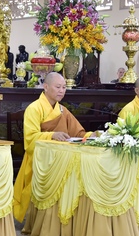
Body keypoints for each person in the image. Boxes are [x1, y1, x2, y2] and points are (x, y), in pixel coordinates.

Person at [13, 72, 91, 221]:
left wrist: (92, 135)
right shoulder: (34, 108)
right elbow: (30, 139)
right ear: (46, 87)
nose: (62, 91)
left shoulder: (62, 110)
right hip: (40, 159)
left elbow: (78, 133)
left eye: (64, 87)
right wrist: (52, 135)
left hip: (62, 158)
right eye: (58, 87)